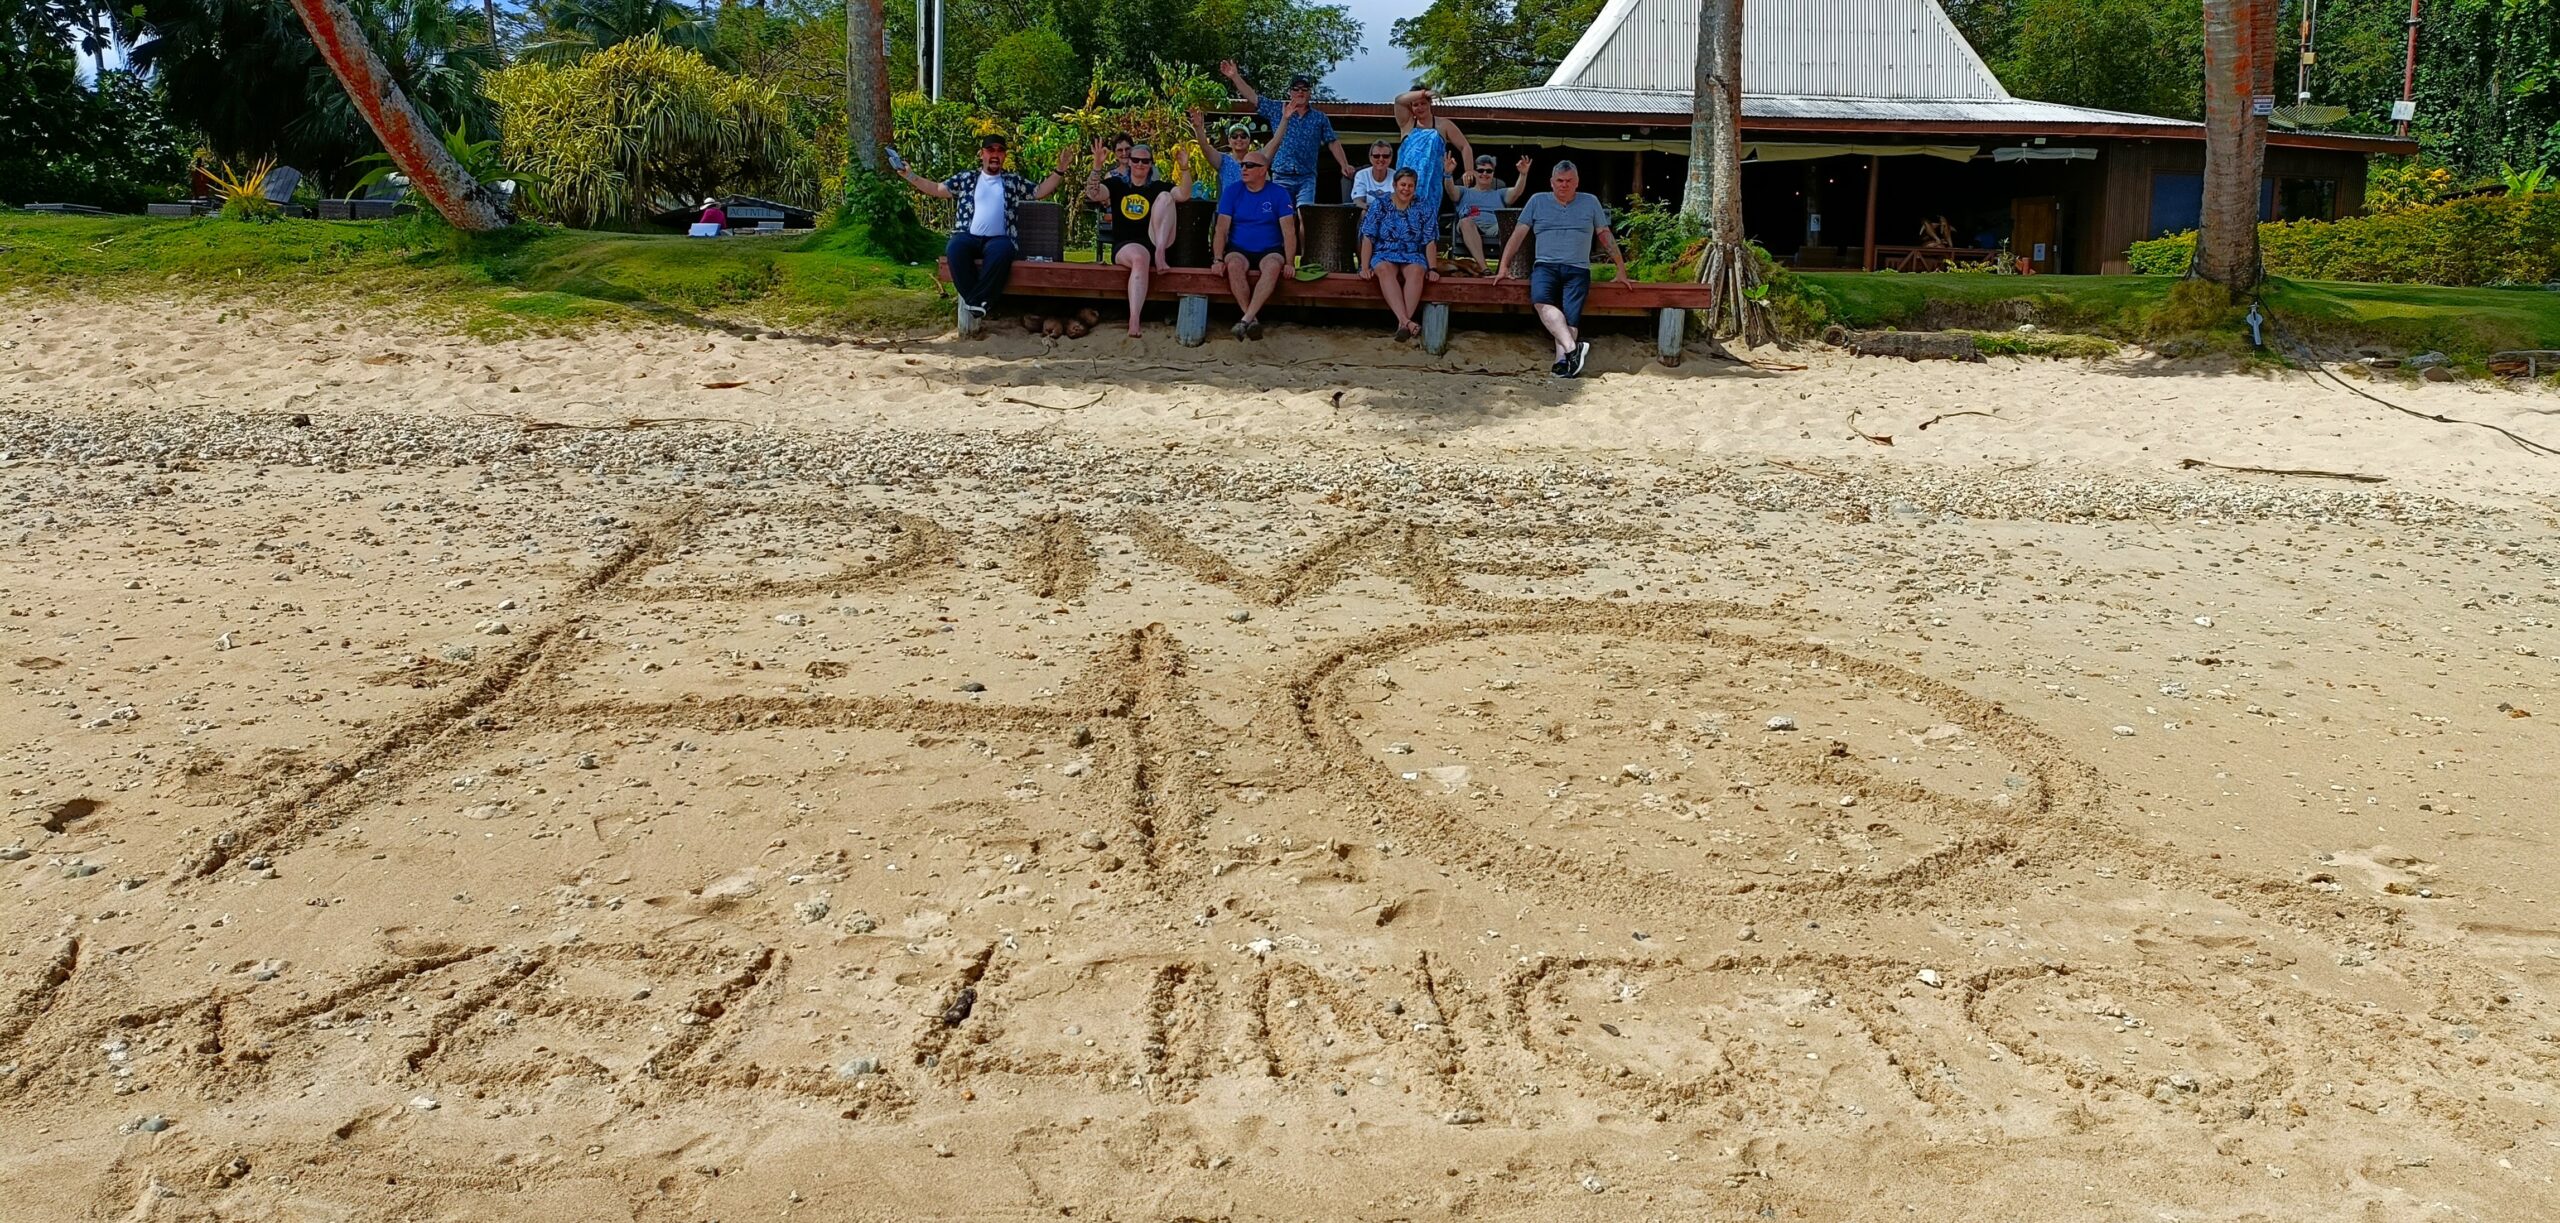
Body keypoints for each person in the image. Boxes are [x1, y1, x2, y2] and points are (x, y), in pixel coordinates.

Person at [890, 134, 1071, 326]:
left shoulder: (1012, 181)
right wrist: (909, 175)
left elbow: (1039, 191)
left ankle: (978, 301)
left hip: (999, 238)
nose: (995, 154)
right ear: (981, 154)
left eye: (1000, 150)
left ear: (1004, 156)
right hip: (968, 235)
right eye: (990, 150)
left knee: (1003, 252)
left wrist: (1059, 171)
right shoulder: (967, 178)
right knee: (954, 249)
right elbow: (936, 188)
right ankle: (978, 301)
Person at [1492, 160, 1625, 379]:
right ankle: (1573, 351)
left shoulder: (1590, 202)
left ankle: (1562, 362)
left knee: (1570, 317)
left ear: (1577, 182)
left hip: (1577, 267)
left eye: (1569, 181)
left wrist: (1621, 269)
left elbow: (1604, 235)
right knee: (1542, 303)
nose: (1564, 185)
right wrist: (1503, 266)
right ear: (1551, 182)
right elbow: (1517, 235)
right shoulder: (1537, 201)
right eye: (1560, 181)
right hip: (1545, 265)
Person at [1085, 139, 1193, 337]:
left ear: (1151, 163)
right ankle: (1134, 318)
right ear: (1129, 162)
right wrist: (1097, 166)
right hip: (1126, 245)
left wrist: (1185, 168)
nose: (1140, 165)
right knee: (1139, 258)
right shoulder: (1117, 184)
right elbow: (1093, 194)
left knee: (1166, 197)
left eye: (1145, 161)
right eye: (1136, 160)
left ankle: (1160, 252)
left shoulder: (1158, 185)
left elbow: (1184, 194)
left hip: (1154, 240)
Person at [1220, 61, 1355, 205]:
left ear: (1310, 92)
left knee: (1305, 215)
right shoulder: (1277, 109)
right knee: (1282, 217)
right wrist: (1235, 76)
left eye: (1304, 89)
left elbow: (1332, 141)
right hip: (1281, 175)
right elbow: (1254, 98)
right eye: (1296, 89)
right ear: (1290, 92)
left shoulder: (1319, 117)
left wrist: (1344, 164)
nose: (1300, 92)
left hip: (1306, 176)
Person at [1212, 153, 1299, 339]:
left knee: (1273, 266)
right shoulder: (1232, 191)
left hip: (1270, 248)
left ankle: (1245, 320)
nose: (1244, 169)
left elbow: (1289, 232)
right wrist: (1218, 258)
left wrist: (1290, 262)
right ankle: (1251, 320)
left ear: (1263, 170)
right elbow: (1221, 229)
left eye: (1250, 165)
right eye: (1242, 165)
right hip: (1239, 247)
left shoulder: (1279, 193)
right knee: (1233, 265)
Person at [1357, 166, 1440, 342]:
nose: (1406, 189)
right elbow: (1368, 236)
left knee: (1417, 271)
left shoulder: (1423, 206)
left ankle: (1403, 324)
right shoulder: (1380, 204)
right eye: (1403, 184)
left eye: (1410, 186)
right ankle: (1406, 322)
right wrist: (1364, 267)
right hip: (1384, 250)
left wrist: (1432, 268)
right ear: (1394, 185)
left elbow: (1430, 239)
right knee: (1385, 270)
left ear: (1415, 187)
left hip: (1412, 252)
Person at [1444, 152, 1532, 272]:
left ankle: (1508, 268)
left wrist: (1523, 174)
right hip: (1470, 226)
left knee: (1515, 224)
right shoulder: (1464, 191)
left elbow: (1516, 192)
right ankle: (1484, 268)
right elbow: (1450, 191)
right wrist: (1448, 174)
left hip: (1494, 228)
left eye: (1488, 171)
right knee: (1465, 222)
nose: (1484, 174)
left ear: (1493, 174)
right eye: (1481, 170)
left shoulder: (1499, 193)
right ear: (1475, 172)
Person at [1390, 85, 1472, 206]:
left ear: (1430, 103)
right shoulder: (1407, 123)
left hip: (1431, 185)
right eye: (1415, 105)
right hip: (1405, 185)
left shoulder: (1443, 125)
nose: (1420, 108)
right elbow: (1399, 100)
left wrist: (1469, 170)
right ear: (1411, 107)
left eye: (1423, 103)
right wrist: (1424, 93)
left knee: (1427, 221)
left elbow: (1465, 146)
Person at [1186, 106, 1292, 200]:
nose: (1239, 139)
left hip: (1253, 213)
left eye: (1243, 136)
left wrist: (1285, 119)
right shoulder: (1222, 161)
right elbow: (1205, 147)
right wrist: (1198, 128)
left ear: (1249, 140)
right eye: (1234, 136)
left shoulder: (1257, 159)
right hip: (1229, 216)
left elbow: (1276, 142)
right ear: (1229, 141)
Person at [1349, 141, 1398, 211]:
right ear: (1370, 158)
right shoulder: (1361, 175)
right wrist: (1375, 210)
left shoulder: (1396, 176)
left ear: (1391, 158)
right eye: (1376, 156)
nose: (1381, 159)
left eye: (1385, 156)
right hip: (1369, 212)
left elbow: (1399, 202)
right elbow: (1357, 202)